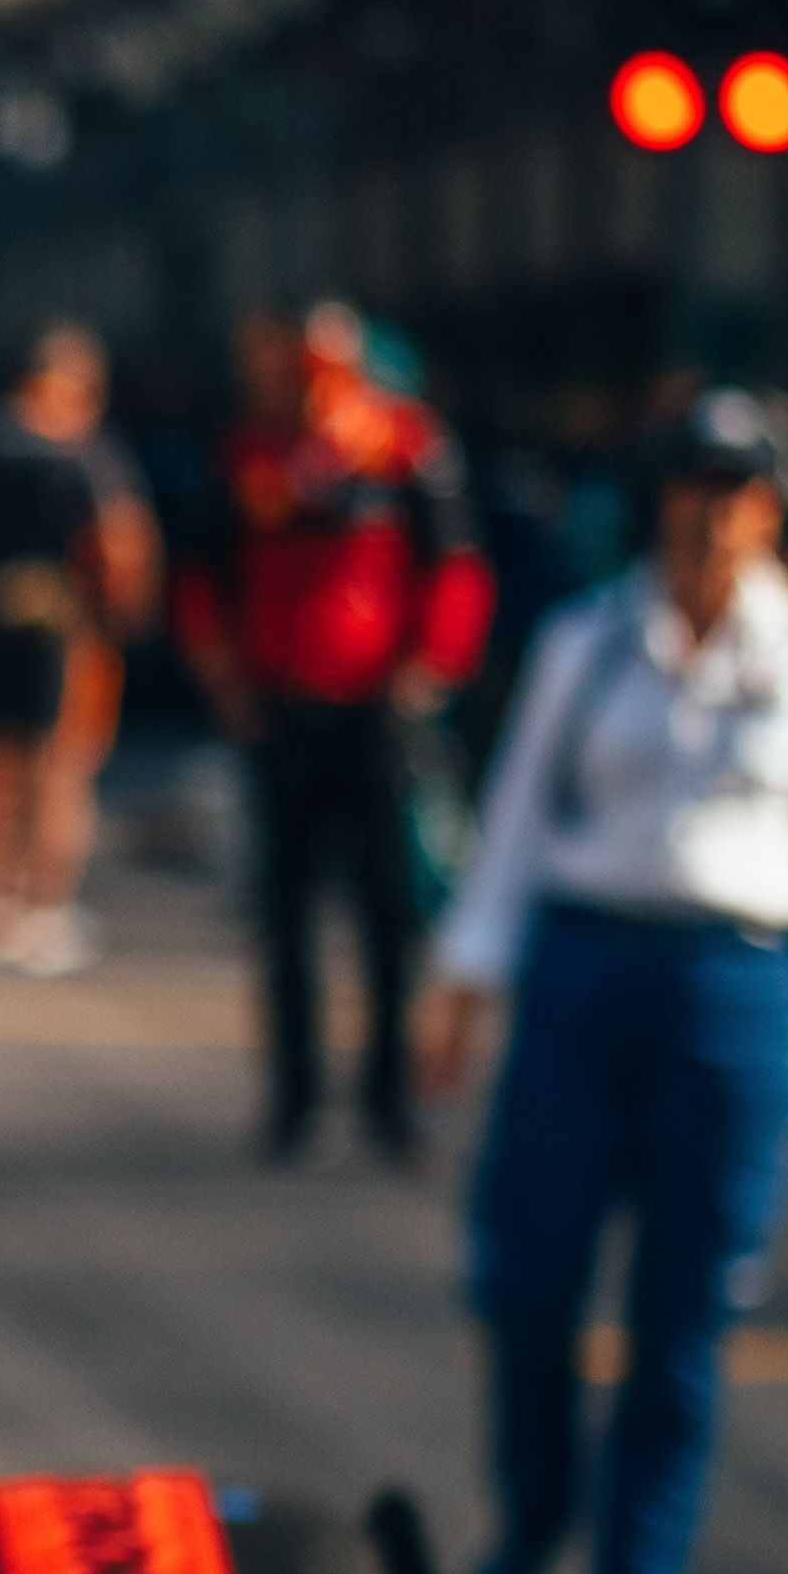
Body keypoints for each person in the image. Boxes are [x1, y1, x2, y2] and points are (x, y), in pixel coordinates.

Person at [416, 393, 788, 1574]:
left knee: (687, 1305)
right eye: (689, 484)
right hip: (586, 967)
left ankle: (640, 1573)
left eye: (737, 488)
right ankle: (531, 1522)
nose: (710, 512)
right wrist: (463, 984)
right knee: (527, 1276)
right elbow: (513, 815)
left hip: (739, 982)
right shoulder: (587, 642)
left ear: (774, 506)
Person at [201, 302, 488, 1166]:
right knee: (283, 916)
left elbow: (456, 570)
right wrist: (226, 685)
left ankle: (390, 1106)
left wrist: (427, 671)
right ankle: (290, 1104)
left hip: (374, 714)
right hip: (281, 711)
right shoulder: (251, 456)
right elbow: (203, 578)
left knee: (387, 915)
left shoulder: (405, 446)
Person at [0, 323, 159, 977]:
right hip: (66, 625)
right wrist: (129, 612)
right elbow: (119, 540)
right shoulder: (85, 450)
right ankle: (46, 904)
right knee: (64, 767)